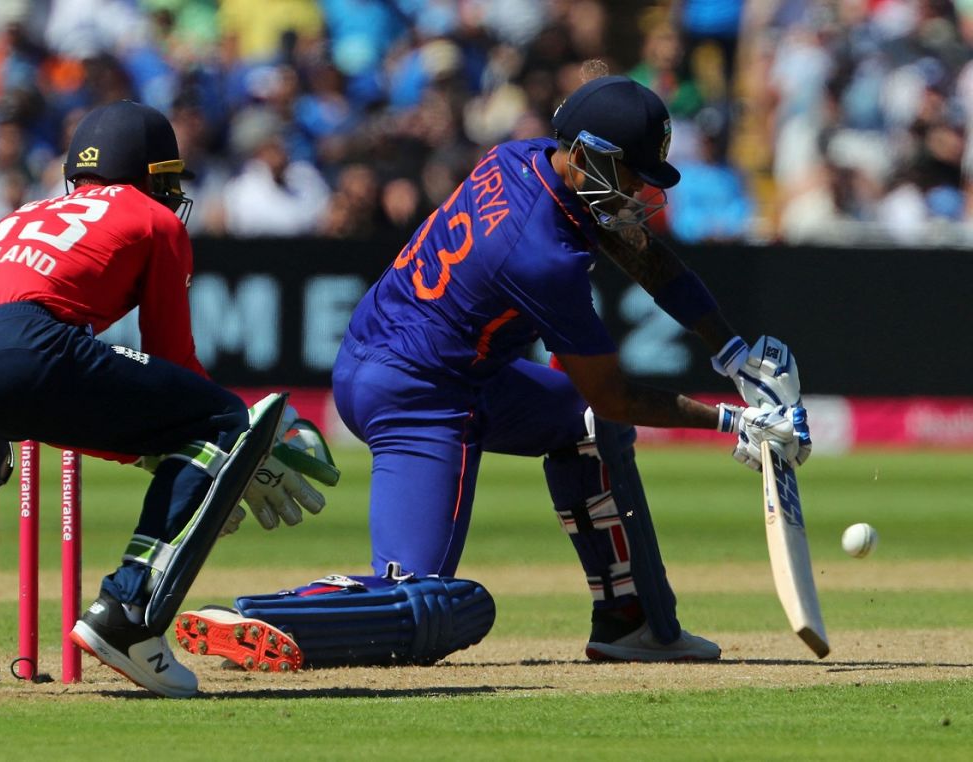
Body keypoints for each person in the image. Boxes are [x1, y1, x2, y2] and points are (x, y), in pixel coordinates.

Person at [179, 75, 811, 668]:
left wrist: (732, 351)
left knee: (587, 426)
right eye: (630, 175)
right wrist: (734, 420)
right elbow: (615, 392)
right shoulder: (538, 254)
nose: (638, 193)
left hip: (444, 367)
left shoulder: (529, 158)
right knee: (430, 602)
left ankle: (634, 623)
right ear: (588, 154)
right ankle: (269, 616)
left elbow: (639, 254)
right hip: (414, 392)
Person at [0, 100, 330, 698]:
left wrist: (154, 453)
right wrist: (223, 461)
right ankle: (127, 615)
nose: (172, 193)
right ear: (149, 175)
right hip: (21, 346)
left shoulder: (25, 211)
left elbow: (73, 409)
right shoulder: (156, 221)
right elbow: (174, 368)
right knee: (221, 420)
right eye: (168, 180)